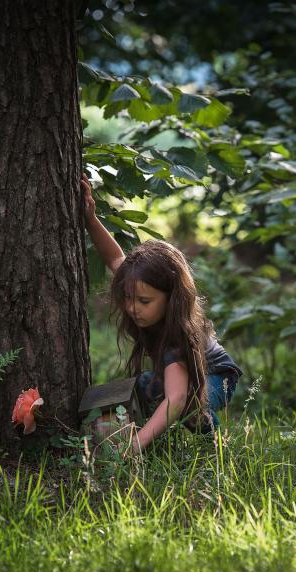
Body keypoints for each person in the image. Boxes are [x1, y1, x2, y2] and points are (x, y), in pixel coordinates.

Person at [81, 175, 242, 454]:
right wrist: (91, 219)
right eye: (129, 298)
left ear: (172, 299)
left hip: (217, 377)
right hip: (183, 376)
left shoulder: (176, 337)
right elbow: (115, 259)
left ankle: (212, 449)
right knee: (141, 388)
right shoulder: (140, 285)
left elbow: (176, 398)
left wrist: (136, 445)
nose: (132, 307)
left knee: (191, 406)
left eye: (143, 301)